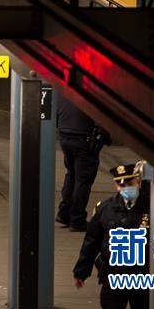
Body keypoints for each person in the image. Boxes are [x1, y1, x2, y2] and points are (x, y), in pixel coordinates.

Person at [73, 162, 150, 309]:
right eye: (121, 185)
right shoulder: (105, 208)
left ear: (138, 182)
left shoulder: (151, 207)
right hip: (113, 275)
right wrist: (81, 272)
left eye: (129, 183)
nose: (125, 188)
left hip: (142, 276)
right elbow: (92, 242)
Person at [57, 99, 110, 232]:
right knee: (83, 181)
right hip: (83, 138)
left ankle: (64, 214)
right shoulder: (91, 91)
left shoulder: (66, 88)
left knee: (71, 175)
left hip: (65, 135)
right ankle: (77, 219)